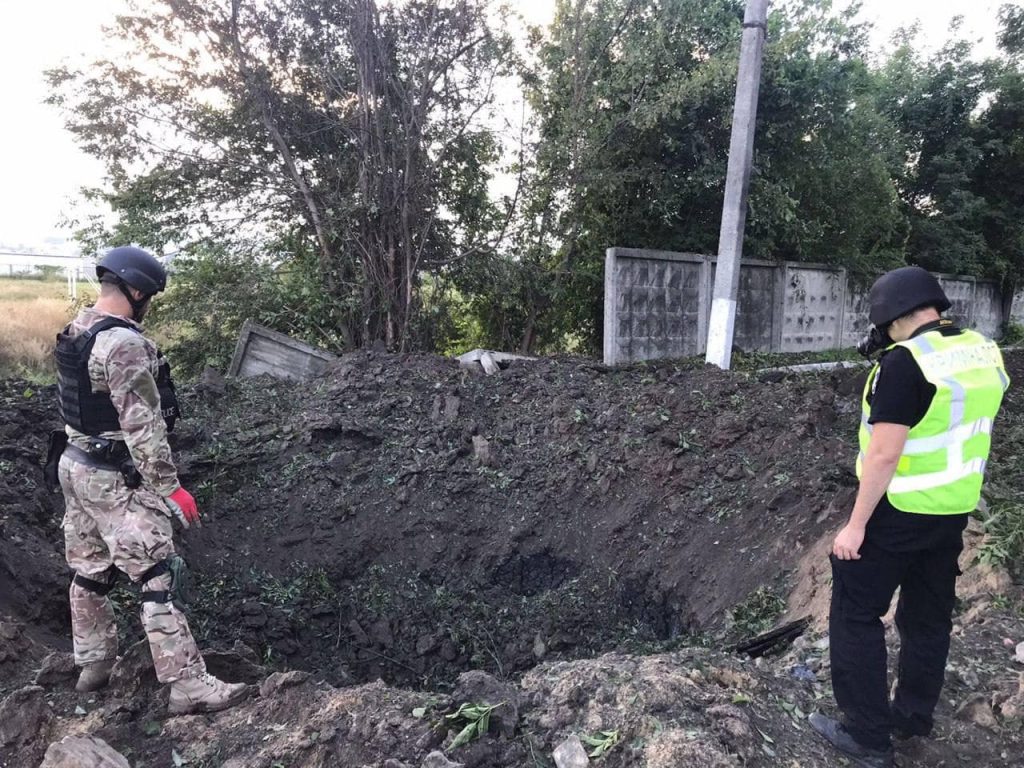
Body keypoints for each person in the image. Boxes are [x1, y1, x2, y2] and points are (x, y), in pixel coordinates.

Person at [809, 266, 1011, 768]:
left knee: (856, 612)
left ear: (895, 318)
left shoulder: (905, 363)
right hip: (952, 509)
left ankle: (868, 736)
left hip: (898, 508)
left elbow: (883, 455)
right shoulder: (984, 351)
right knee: (927, 618)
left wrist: (856, 525)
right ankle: (913, 716)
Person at [53, 245, 249, 714]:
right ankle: (188, 686)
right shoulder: (122, 344)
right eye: (150, 296)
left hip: (75, 465)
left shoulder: (77, 329)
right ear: (136, 289)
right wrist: (169, 489)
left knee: (90, 568)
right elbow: (143, 426)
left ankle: (94, 664)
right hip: (114, 476)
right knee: (158, 574)